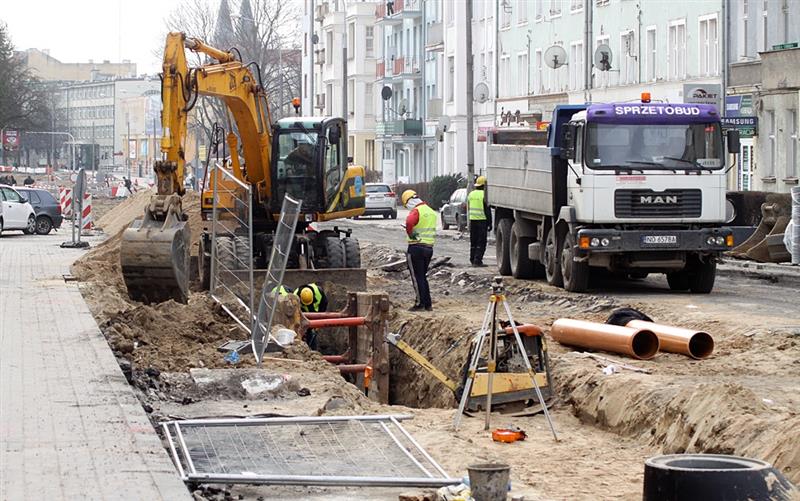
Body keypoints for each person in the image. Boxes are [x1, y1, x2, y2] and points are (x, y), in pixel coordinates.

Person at [401, 190, 436, 311]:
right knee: (423, 276)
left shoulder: (416, 211)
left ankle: (420, 303)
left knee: (417, 277)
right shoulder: (430, 211)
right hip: (429, 248)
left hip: (416, 248)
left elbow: (409, 222)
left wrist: (411, 233)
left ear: (409, 201)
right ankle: (428, 304)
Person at [468, 176, 492, 266]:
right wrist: (490, 223)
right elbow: (487, 211)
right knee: (481, 242)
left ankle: (472, 259)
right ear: (484, 185)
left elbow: (469, 207)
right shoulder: (484, 195)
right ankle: (477, 261)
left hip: (473, 220)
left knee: (473, 241)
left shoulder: (471, 194)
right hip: (482, 221)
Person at [295, 283, 328, 350]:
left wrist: (319, 320)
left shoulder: (319, 292)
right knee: (306, 331)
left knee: (313, 334)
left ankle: (313, 349)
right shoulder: (295, 296)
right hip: (303, 314)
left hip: (316, 313)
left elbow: (324, 304)